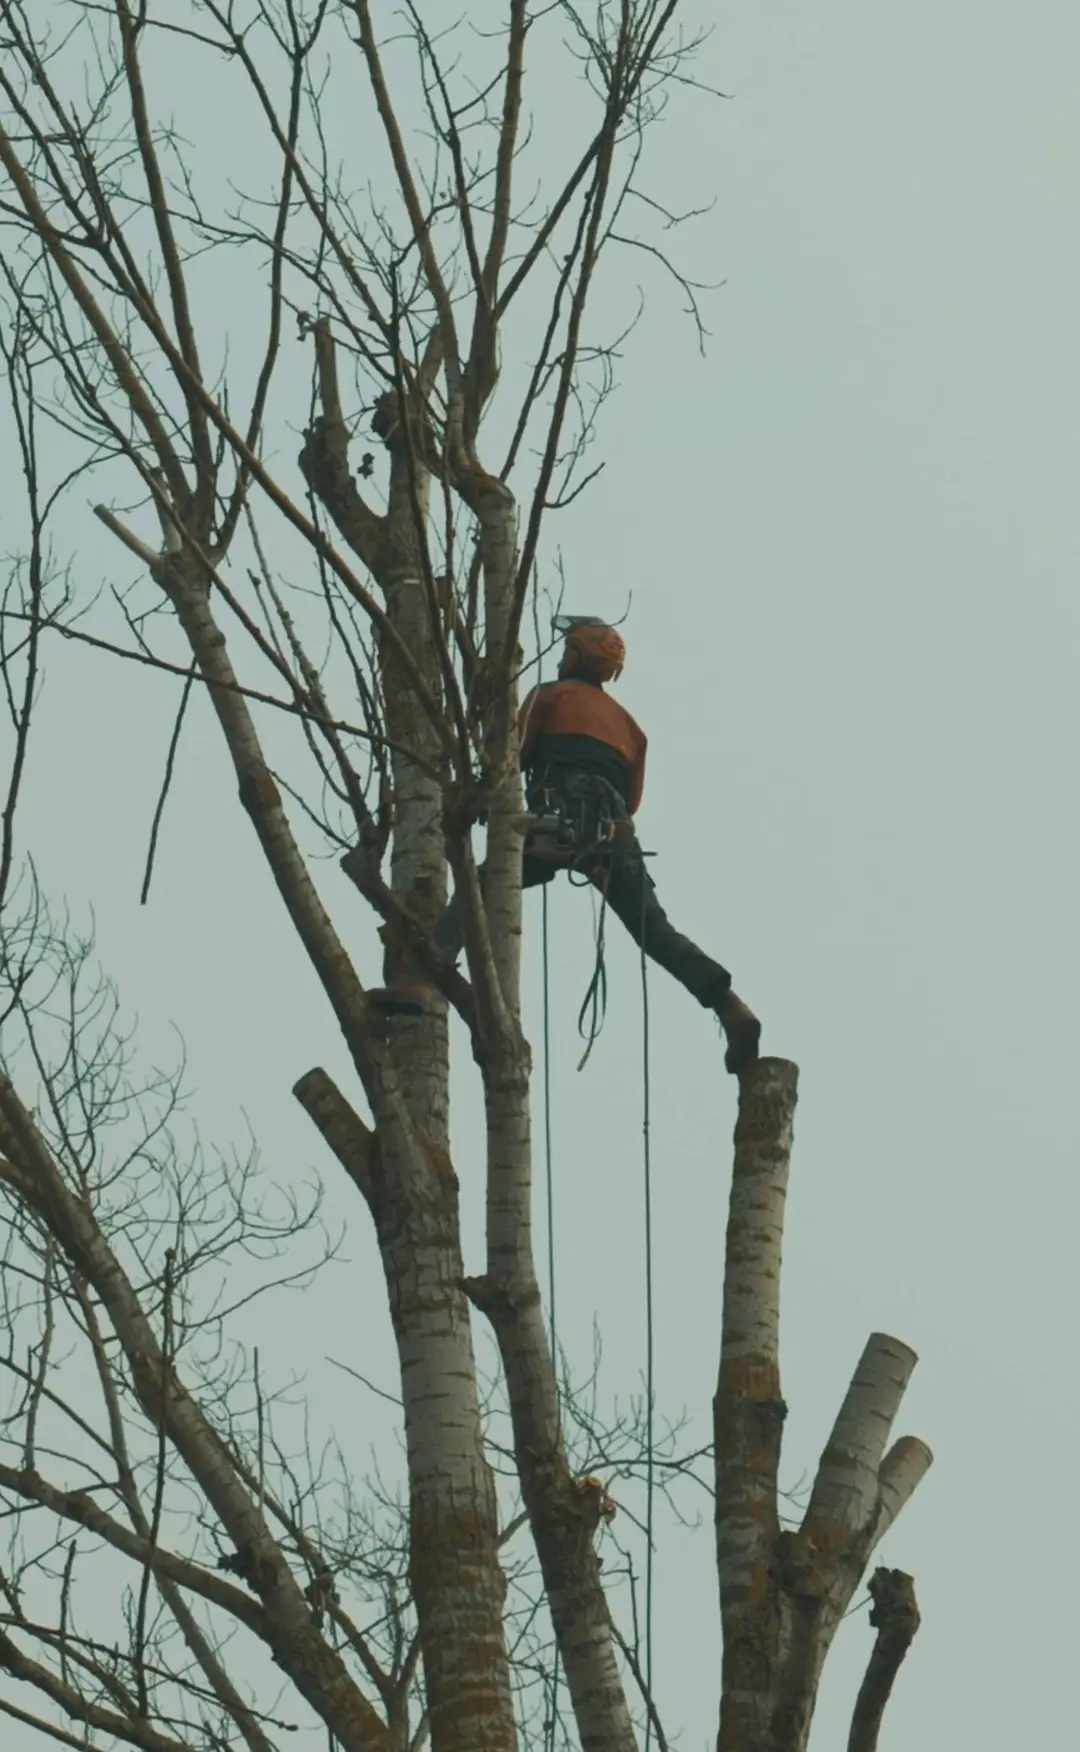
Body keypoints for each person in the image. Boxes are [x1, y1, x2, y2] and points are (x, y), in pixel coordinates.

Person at [370, 618, 761, 1073]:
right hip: (613, 833)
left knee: (477, 888)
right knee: (654, 930)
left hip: (557, 818)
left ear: (577, 655)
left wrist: (474, 797)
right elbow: (632, 801)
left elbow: (509, 760)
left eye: (566, 650)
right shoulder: (632, 729)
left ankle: (419, 981)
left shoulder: (550, 696)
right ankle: (731, 1008)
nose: (560, 659)